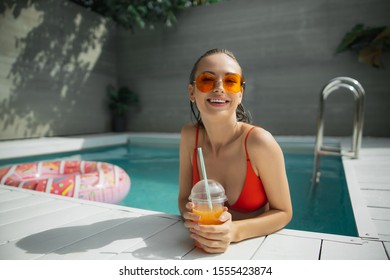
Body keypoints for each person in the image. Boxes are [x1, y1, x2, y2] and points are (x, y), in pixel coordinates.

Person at [178, 48, 293, 254]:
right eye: (207, 80)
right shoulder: (189, 137)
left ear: (240, 93)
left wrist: (234, 232)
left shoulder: (259, 143)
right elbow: (184, 198)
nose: (219, 88)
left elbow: (284, 212)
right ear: (192, 92)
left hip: (256, 252)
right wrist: (189, 215)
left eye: (230, 81)